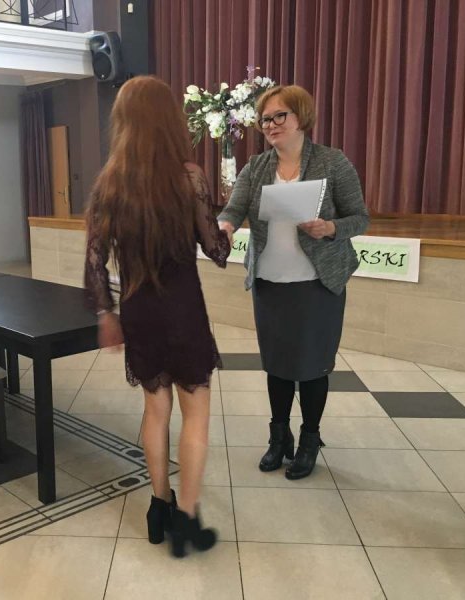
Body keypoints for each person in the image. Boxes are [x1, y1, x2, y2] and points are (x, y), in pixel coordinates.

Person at [84, 76, 231, 558]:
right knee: (196, 414)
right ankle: (186, 519)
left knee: (155, 409)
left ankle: (158, 506)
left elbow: (94, 261)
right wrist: (225, 227)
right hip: (184, 308)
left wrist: (106, 313)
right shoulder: (189, 177)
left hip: (139, 310)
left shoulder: (109, 183)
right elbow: (216, 251)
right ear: (169, 120)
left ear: (123, 121)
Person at [217, 85, 369, 480]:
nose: (270, 125)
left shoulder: (332, 163)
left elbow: (360, 218)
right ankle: (279, 436)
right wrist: (225, 227)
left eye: (279, 116)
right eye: (265, 119)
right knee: (278, 365)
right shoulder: (256, 167)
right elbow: (234, 208)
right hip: (269, 283)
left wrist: (330, 228)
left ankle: (309, 439)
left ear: (301, 117)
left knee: (313, 366)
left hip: (317, 285)